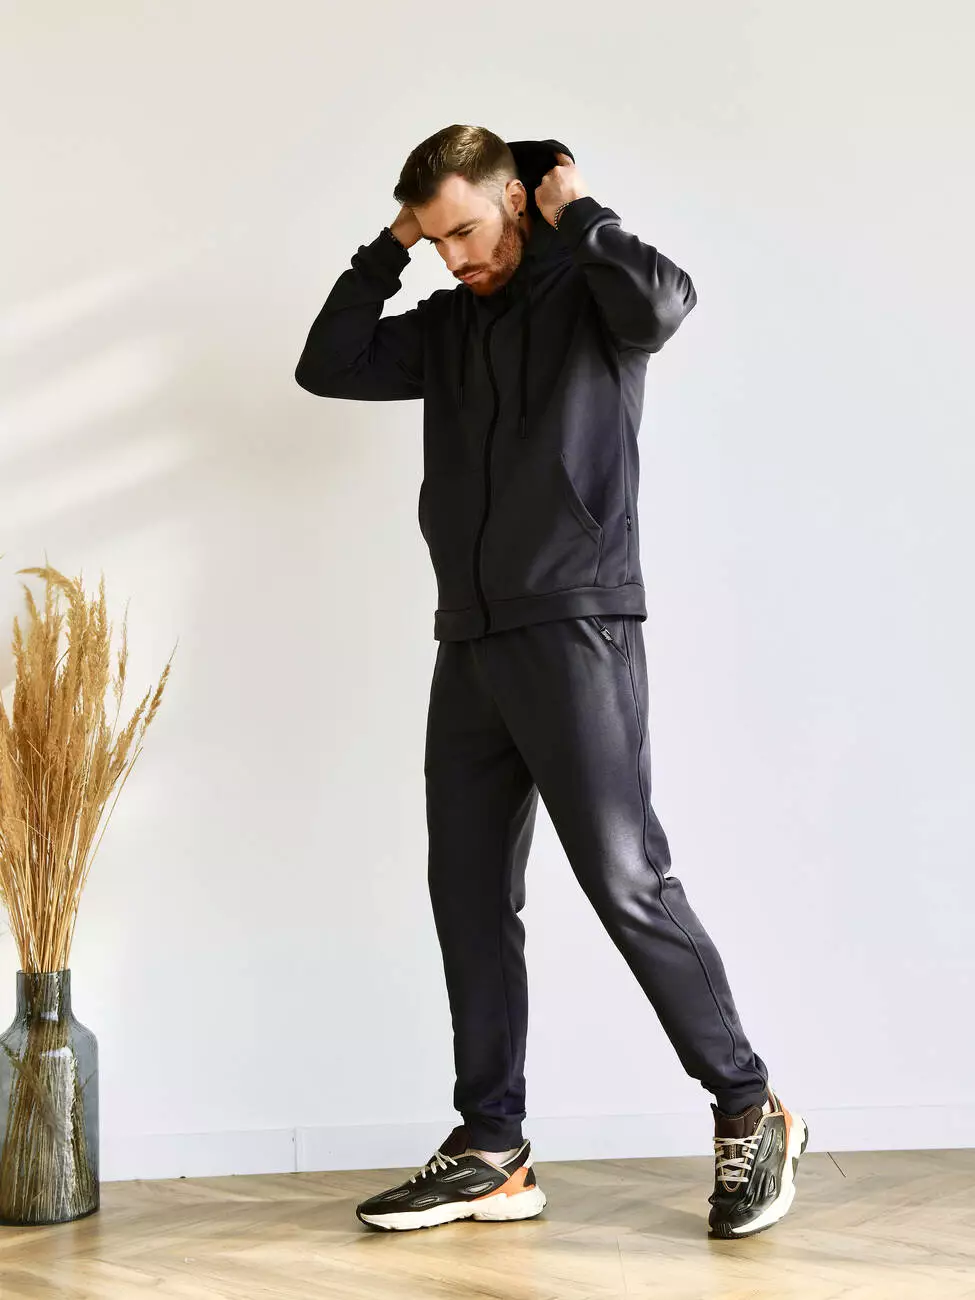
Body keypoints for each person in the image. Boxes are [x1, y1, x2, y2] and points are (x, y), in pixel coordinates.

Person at [295, 124, 808, 1239]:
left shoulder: (592, 296)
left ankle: (747, 1104)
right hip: (472, 640)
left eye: (466, 231)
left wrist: (581, 210)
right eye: (435, 239)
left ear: (518, 201)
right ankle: (493, 1149)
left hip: (577, 628)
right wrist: (393, 241)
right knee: (468, 893)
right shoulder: (446, 326)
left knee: (625, 879)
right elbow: (326, 363)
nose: (454, 258)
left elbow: (665, 301)